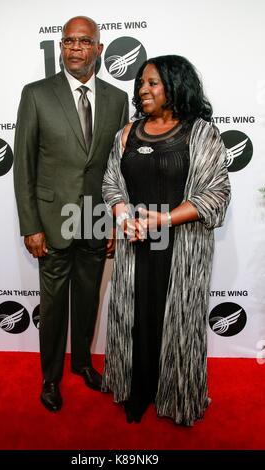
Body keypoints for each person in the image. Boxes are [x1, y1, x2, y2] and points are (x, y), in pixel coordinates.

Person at [101, 55, 231, 426]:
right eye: (141, 82)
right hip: (135, 245)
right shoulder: (127, 132)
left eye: (153, 82)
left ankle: (174, 394)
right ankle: (136, 389)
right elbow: (112, 183)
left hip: (182, 249)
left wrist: (167, 219)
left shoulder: (201, 132)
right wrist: (123, 214)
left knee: (173, 319)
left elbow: (216, 192)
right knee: (135, 318)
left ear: (175, 86)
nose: (143, 89)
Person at [13, 16, 129, 412]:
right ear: (61, 47)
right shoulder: (36, 94)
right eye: (68, 41)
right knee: (53, 305)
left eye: (84, 41)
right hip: (52, 222)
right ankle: (50, 378)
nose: (75, 48)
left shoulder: (117, 99)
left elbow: (118, 166)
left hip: (96, 220)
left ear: (99, 48)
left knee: (87, 301)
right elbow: (24, 165)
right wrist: (30, 225)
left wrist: (115, 220)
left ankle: (82, 362)